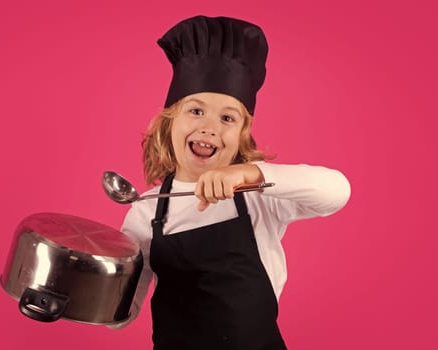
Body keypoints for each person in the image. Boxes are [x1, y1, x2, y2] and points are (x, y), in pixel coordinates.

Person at [114, 15, 351, 350]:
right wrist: (75, 287)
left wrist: (249, 173)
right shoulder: (145, 210)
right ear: (169, 123)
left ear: (241, 136)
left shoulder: (259, 196)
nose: (210, 126)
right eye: (196, 111)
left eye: (227, 117)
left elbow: (337, 191)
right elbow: (121, 311)